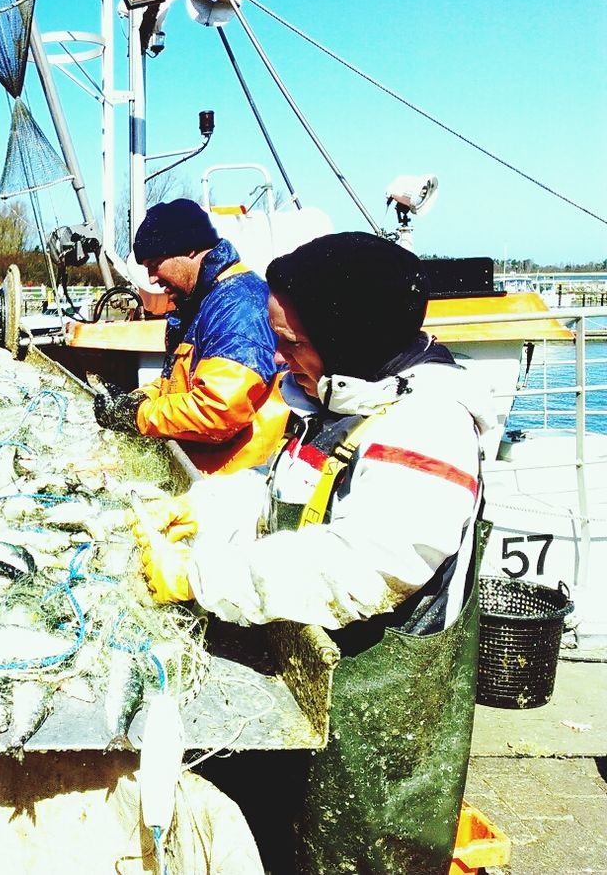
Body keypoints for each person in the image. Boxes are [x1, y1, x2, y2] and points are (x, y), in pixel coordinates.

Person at [133, 233, 491, 873]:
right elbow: (289, 493)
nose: (275, 355)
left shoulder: (427, 425)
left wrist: (197, 574)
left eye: (290, 342)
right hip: (312, 690)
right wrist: (207, 505)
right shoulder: (339, 396)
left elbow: (357, 567)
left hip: (374, 723)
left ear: (349, 332)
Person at [93, 198, 289, 474]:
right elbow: (178, 386)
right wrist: (134, 400)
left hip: (238, 480)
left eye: (155, 264)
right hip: (205, 473)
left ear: (190, 249)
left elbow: (218, 409)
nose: (151, 279)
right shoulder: (201, 301)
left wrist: (137, 416)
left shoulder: (238, 305)